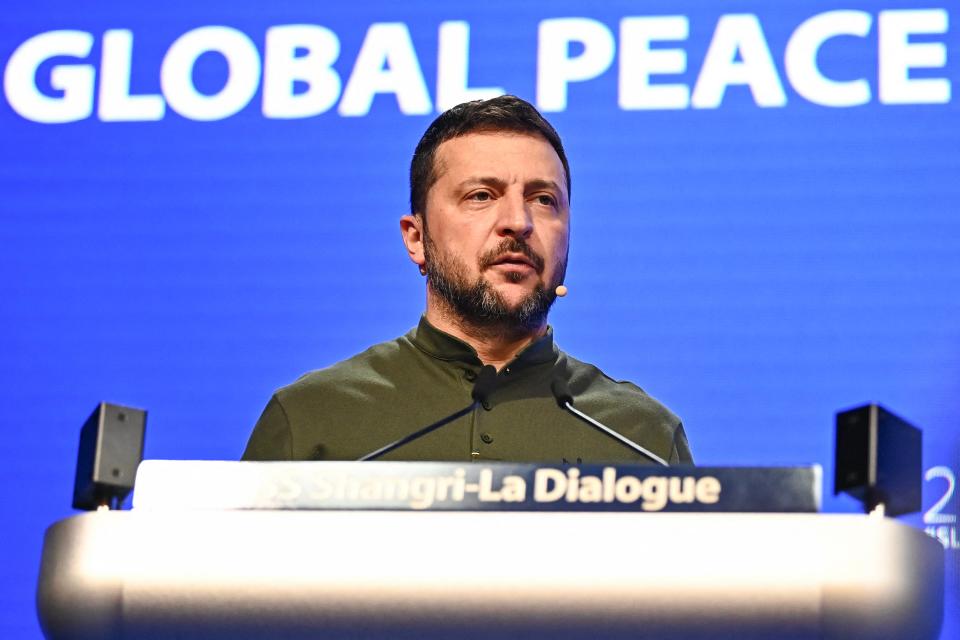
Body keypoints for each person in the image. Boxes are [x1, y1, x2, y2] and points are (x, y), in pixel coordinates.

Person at [243, 95, 692, 464]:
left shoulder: (643, 438)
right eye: (481, 195)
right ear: (416, 238)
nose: (518, 222)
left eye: (543, 199)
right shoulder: (311, 420)